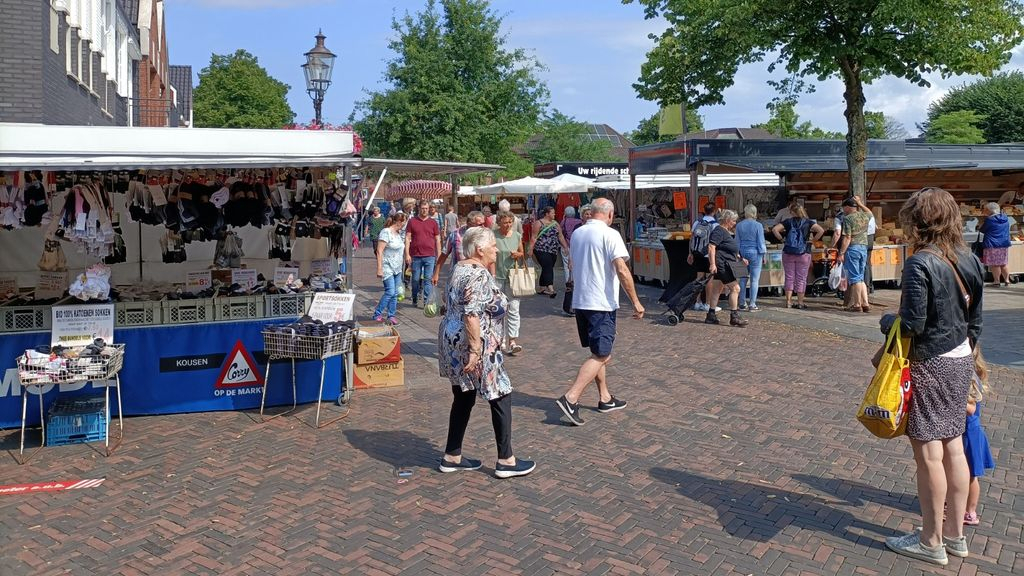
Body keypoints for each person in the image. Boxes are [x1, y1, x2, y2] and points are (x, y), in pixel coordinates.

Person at [881, 187, 984, 566]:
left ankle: (930, 541)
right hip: (960, 359)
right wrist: (964, 353)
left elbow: (912, 324)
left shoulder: (919, 262)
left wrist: (886, 321)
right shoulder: (969, 258)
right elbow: (977, 322)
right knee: (954, 448)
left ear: (918, 220)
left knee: (928, 454)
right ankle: (955, 537)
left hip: (930, 362)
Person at [437, 226, 536, 479]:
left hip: (451, 339)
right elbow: (472, 314)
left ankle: (452, 455)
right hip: (477, 344)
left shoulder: (459, 268)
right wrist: (475, 349)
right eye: (493, 245)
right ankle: (506, 460)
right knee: (500, 393)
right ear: (479, 249)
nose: (496, 249)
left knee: (463, 395)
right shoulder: (477, 275)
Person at [555, 198, 644, 426]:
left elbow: (574, 264)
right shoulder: (610, 234)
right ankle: (571, 397)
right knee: (602, 354)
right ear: (610, 214)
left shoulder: (578, 233)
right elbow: (622, 269)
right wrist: (635, 301)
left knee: (597, 351)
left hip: (582, 300)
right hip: (600, 302)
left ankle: (604, 397)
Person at [963, 346, 994, 527]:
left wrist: (952, 398)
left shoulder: (969, 378)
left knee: (971, 476)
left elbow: (971, 409)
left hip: (969, 434)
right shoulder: (971, 375)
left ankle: (970, 511)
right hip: (966, 431)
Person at [772, 204, 825, 309]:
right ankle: (800, 302)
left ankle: (788, 302)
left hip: (788, 252)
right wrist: (812, 241)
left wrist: (782, 239)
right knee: (801, 278)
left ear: (792, 212)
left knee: (789, 277)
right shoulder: (808, 222)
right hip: (804, 252)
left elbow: (775, 229)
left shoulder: (787, 222)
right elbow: (821, 230)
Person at [705, 210, 749, 327]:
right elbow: (711, 247)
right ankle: (734, 316)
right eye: (734, 221)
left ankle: (711, 314)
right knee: (736, 288)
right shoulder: (719, 231)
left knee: (717, 289)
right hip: (722, 265)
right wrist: (712, 264)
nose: (734, 223)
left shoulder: (724, 231)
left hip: (724, 263)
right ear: (727, 220)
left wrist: (740, 257)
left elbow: (728, 248)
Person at [494, 211, 525, 355]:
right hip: (497, 277)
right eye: (505, 222)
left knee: (513, 309)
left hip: (513, 277)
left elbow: (522, 253)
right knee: (498, 310)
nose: (508, 225)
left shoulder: (517, 236)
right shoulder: (493, 235)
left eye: (510, 222)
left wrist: (518, 255)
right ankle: (499, 340)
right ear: (499, 222)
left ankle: (512, 341)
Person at [837, 196, 872, 312]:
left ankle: (857, 304)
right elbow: (870, 212)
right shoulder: (864, 215)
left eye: (844, 207)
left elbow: (847, 237)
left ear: (847, 207)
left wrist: (841, 252)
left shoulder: (848, 219)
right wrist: (860, 203)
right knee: (861, 277)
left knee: (855, 278)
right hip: (864, 248)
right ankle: (865, 303)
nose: (843, 210)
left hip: (853, 248)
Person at [404, 199, 441, 308]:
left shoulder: (433, 222)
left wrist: (439, 255)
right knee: (415, 279)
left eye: (426, 209)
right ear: (419, 209)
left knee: (428, 279)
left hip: (430, 255)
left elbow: (437, 239)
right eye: (422, 208)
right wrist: (407, 254)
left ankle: (426, 301)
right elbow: (407, 238)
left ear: (429, 209)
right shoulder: (412, 221)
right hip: (416, 255)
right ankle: (414, 296)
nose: (424, 211)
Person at [372, 212, 408, 326]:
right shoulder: (386, 232)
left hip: (397, 268)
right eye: (404, 222)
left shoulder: (398, 233)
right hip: (387, 266)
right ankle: (377, 313)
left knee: (396, 293)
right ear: (399, 222)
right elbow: (379, 251)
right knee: (390, 291)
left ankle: (391, 315)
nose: (404, 225)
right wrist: (379, 268)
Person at [432, 211, 485, 286]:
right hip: (458, 278)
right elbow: (444, 254)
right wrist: (436, 274)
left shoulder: (485, 236)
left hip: (478, 279)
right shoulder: (455, 235)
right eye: (480, 224)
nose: (483, 227)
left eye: (484, 224)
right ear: (469, 224)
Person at [529, 206, 569, 298]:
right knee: (548, 266)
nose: (554, 214)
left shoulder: (555, 224)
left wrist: (565, 247)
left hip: (553, 250)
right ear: (547, 214)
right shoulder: (538, 223)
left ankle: (542, 287)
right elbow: (534, 237)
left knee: (547, 266)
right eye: (552, 213)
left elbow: (560, 236)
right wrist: (530, 249)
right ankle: (550, 288)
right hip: (541, 249)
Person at [687, 202, 721, 313]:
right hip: (708, 254)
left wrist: (690, 253)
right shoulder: (715, 225)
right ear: (714, 211)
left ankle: (697, 302)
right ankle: (707, 303)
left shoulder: (697, 222)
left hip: (697, 253)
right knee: (709, 279)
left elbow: (691, 238)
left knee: (699, 278)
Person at [734, 204, 766, 311]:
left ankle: (742, 303)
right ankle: (752, 304)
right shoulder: (758, 225)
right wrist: (763, 254)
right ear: (754, 213)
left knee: (742, 279)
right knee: (754, 280)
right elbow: (761, 242)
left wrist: (737, 254)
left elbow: (737, 241)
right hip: (755, 252)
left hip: (742, 252)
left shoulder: (739, 225)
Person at [979, 202, 1012, 287]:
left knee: (995, 264)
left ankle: (996, 281)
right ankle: (1007, 280)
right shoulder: (1005, 218)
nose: (984, 211)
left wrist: (980, 223)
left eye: (986, 209)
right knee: (1003, 264)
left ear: (990, 211)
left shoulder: (989, 220)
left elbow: (982, 230)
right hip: (1004, 244)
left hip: (992, 244)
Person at [560, 206, 583, 281]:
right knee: (576, 264)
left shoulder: (563, 221)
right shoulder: (579, 221)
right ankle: (575, 281)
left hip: (566, 245)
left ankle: (568, 282)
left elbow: (560, 234)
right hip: (577, 246)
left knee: (566, 265)